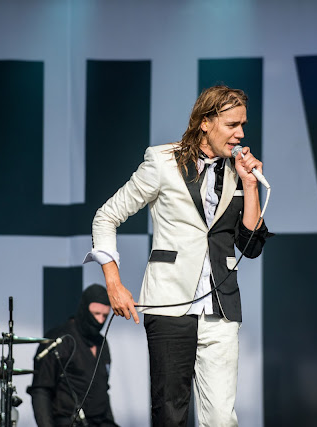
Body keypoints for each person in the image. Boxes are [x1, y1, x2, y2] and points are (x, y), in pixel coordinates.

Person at [84, 85, 272, 426]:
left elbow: (251, 245)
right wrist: (113, 282)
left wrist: (251, 185)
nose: (241, 134)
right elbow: (106, 216)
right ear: (205, 122)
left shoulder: (237, 170)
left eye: (243, 124)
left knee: (220, 417)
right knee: (171, 411)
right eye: (232, 125)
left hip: (221, 307)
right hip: (170, 301)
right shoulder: (162, 160)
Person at [27, 284, 118, 427]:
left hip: (101, 421)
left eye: (105, 316)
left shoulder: (102, 343)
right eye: (96, 314)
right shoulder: (60, 339)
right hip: (69, 421)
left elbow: (103, 390)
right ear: (84, 309)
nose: (100, 320)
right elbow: (41, 390)